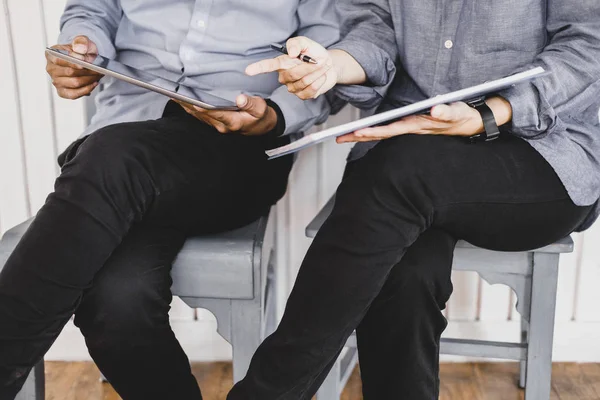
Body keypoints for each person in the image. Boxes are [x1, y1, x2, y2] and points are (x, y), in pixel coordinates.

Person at [227, 0, 600, 398]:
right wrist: (333, 65)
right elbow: (375, 28)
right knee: (402, 272)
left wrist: (489, 113)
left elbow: (589, 42)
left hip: (538, 150)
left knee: (399, 171)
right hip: (403, 152)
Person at [0, 1, 339, 399]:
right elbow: (93, 9)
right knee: (118, 301)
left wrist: (277, 115)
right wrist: (81, 49)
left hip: (236, 145)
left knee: (114, 157)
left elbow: (329, 61)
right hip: (125, 129)